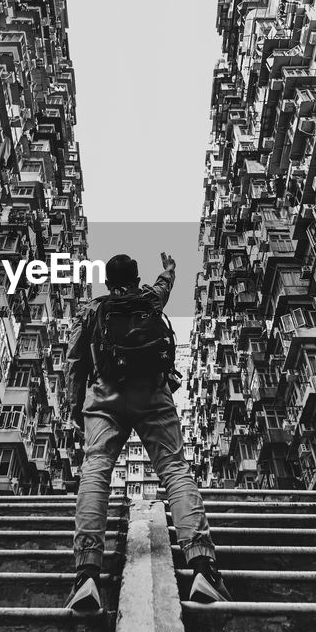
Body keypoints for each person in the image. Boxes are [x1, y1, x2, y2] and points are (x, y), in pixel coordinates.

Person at [63, 251, 231, 612]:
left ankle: (87, 574)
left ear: (107, 282)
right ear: (137, 280)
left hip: (105, 397)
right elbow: (163, 287)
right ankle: (203, 567)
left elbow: (75, 362)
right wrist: (169, 270)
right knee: (174, 468)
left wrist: (78, 408)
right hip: (153, 393)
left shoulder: (93, 309)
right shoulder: (149, 299)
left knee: (96, 469)